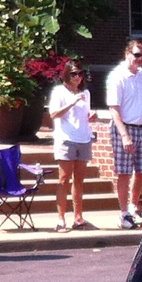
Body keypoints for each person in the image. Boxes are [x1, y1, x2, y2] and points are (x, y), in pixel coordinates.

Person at [106, 39, 142, 229]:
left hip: (141, 127)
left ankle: (133, 206)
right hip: (123, 128)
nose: (140, 59)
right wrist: (125, 136)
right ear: (127, 53)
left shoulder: (141, 75)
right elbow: (114, 108)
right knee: (124, 173)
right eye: (136, 55)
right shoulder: (116, 76)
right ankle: (124, 213)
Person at [47, 61, 93, 231]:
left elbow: (84, 115)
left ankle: (78, 218)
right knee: (64, 179)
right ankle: (61, 219)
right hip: (66, 139)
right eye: (74, 74)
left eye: (80, 74)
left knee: (79, 180)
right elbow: (53, 113)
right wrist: (72, 102)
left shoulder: (85, 93)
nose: (78, 77)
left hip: (83, 138)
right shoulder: (59, 92)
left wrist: (91, 116)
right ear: (66, 74)